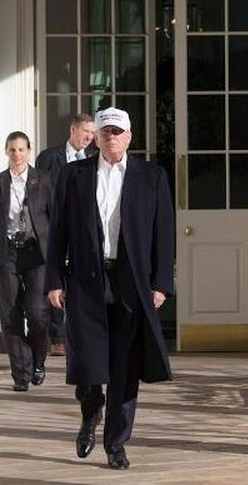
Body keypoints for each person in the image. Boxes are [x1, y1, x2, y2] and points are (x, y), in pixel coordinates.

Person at [45, 107, 174, 470]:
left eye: (118, 132)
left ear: (130, 137)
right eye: (105, 132)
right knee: (86, 361)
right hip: (86, 280)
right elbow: (58, 233)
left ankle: (116, 444)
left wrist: (162, 283)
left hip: (131, 284)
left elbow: (163, 234)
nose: (112, 138)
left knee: (124, 366)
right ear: (96, 137)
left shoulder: (152, 176)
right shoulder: (74, 176)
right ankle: (90, 412)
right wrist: (54, 279)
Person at [0, 131, 52, 392]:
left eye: (21, 149)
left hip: (36, 255)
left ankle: (37, 360)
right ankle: (21, 373)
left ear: (29, 151)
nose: (17, 155)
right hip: (6, 254)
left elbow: (56, 220)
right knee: (10, 316)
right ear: (6, 152)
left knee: (37, 313)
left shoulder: (43, 180)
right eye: (12, 150)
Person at [35, 114, 96, 356]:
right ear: (73, 129)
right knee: (56, 280)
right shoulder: (49, 158)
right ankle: (58, 338)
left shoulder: (94, 158)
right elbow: (37, 192)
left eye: (92, 134)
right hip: (55, 226)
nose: (89, 138)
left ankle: (84, 334)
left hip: (84, 229)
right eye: (86, 132)